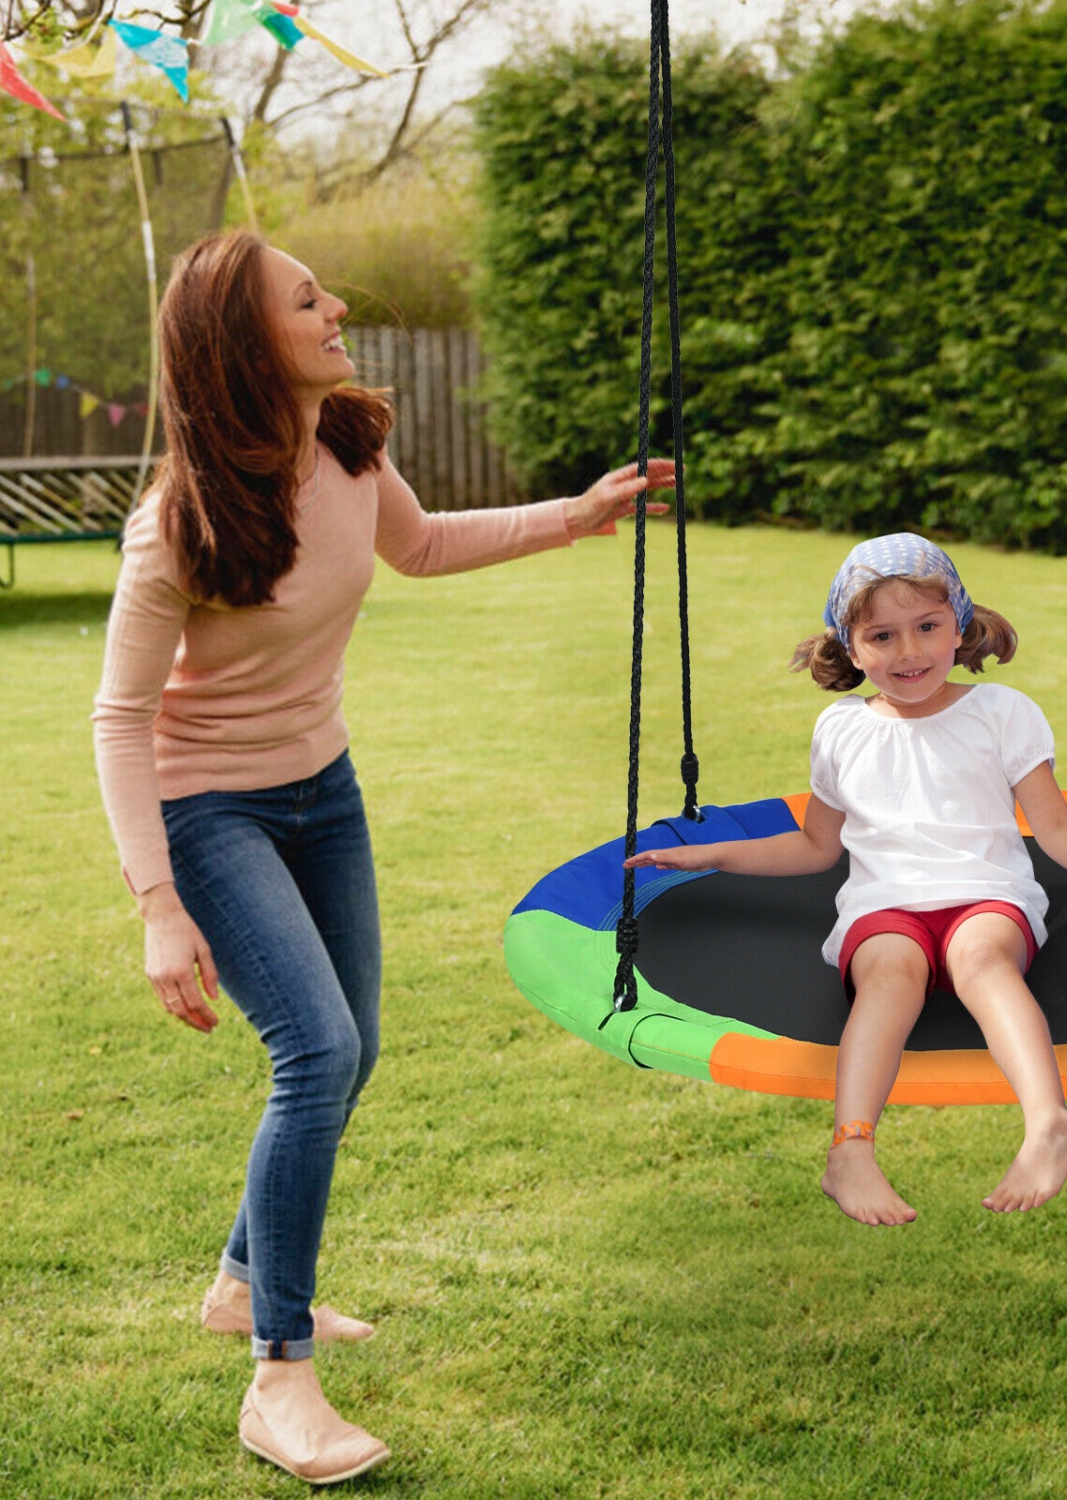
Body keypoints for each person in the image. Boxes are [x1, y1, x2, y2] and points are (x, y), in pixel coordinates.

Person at [92, 228, 675, 1484]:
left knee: (353, 1045)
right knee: (319, 1052)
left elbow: (416, 546)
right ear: (248, 347)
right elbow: (119, 718)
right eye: (309, 300)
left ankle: (242, 1285)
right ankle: (279, 1380)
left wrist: (573, 518)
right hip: (209, 811)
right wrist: (157, 905)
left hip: (324, 790)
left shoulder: (347, 441)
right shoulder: (178, 525)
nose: (339, 304)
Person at [625, 533, 1067, 1229]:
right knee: (887, 975)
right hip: (885, 908)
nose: (909, 653)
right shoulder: (842, 729)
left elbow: (1056, 829)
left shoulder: (1001, 713)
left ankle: (1050, 1126)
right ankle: (850, 1150)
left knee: (980, 958)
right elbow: (817, 846)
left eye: (927, 628)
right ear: (850, 645)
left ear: (958, 624)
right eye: (883, 635)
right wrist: (713, 855)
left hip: (986, 897)